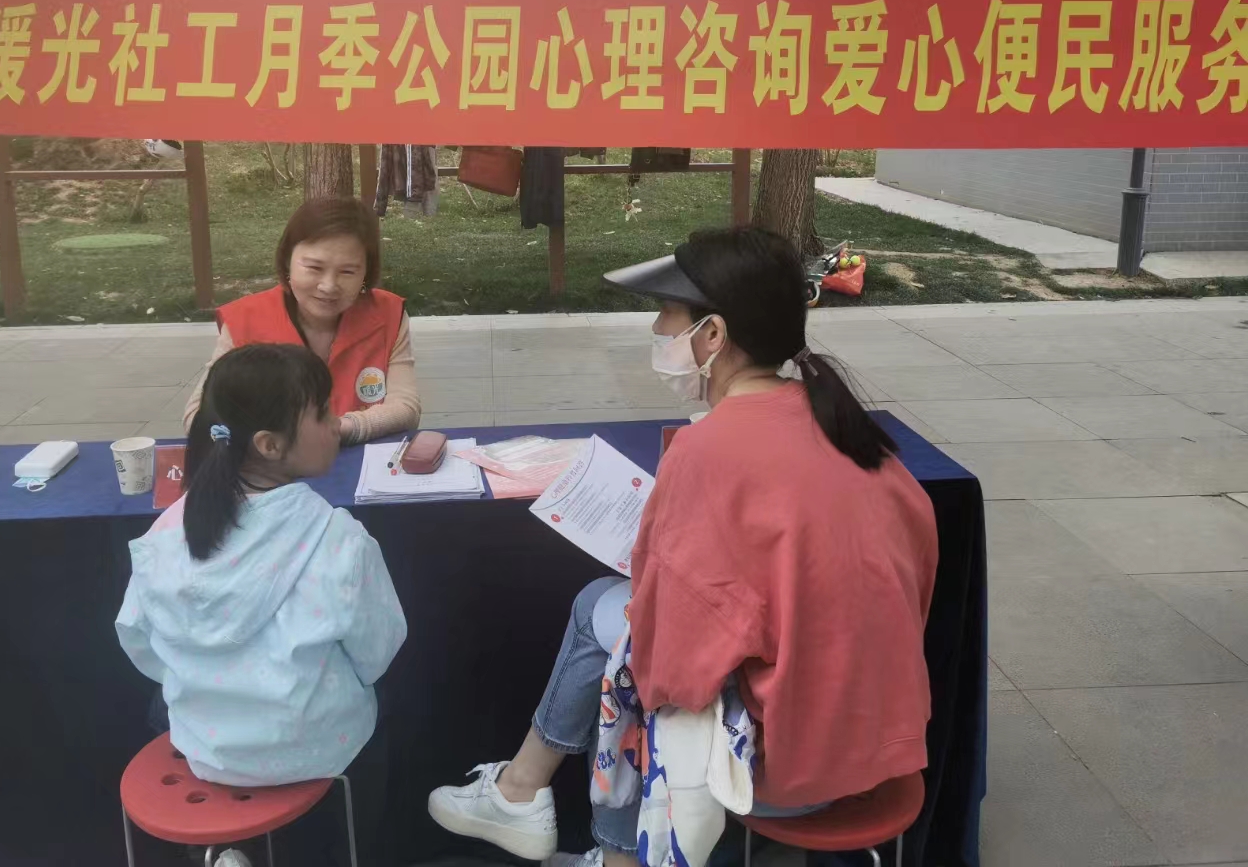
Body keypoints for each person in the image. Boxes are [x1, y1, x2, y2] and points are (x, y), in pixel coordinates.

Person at [426, 228, 939, 867]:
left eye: (667, 313)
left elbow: (669, 667)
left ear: (713, 334)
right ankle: (525, 798)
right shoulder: (852, 431)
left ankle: (540, 806)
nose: (656, 329)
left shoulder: (707, 451)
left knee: (616, 638)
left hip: (782, 771)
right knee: (628, 626)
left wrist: (652, 589)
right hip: (882, 750)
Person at [117, 342, 407, 793]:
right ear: (270, 445)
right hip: (318, 750)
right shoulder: (340, 540)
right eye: (323, 413)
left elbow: (137, 637)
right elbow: (377, 655)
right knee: (384, 699)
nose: (338, 422)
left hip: (204, 749)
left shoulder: (168, 531)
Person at [185, 198, 421, 446]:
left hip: (363, 459)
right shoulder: (245, 320)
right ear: (287, 261)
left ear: (366, 273)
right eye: (314, 268)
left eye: (347, 272)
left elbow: (405, 407)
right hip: (272, 462)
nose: (328, 286)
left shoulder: (387, 314)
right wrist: (278, 441)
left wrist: (339, 429)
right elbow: (198, 417)